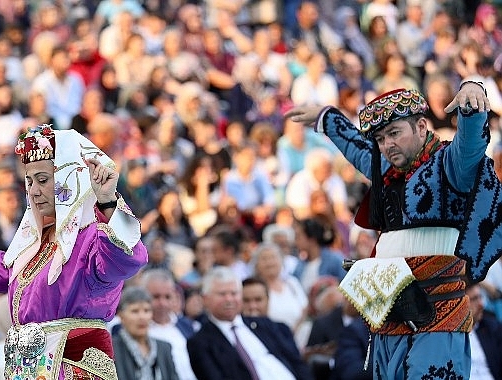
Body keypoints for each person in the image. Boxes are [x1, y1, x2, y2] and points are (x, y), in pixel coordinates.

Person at [286, 82, 499, 379]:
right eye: (382, 138)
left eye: (395, 133)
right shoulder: (385, 169)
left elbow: (471, 145)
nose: (387, 144)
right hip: (386, 311)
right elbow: (356, 147)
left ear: (422, 126)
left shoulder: (450, 164)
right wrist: (327, 118)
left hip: (437, 312)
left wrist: (472, 101)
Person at [0, 124, 148, 380]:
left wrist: (107, 202)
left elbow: (128, 258)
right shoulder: (32, 245)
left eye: (42, 180)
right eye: (29, 181)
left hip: (73, 369)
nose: (32, 190)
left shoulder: (92, 237)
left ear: (69, 180)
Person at [187, 266, 314, 380]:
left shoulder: (265, 325)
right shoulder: (200, 343)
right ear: (205, 299)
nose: (229, 299)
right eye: (222, 294)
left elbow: (297, 363)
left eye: (234, 293)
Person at [112, 286, 179, 380]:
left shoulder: (164, 347)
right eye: (135, 311)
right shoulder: (111, 349)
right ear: (121, 316)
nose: (142, 317)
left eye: (146, 310)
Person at [466, 282, 502, 380]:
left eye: (480, 297)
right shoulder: (452, 337)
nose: (481, 304)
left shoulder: (491, 328)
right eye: (474, 299)